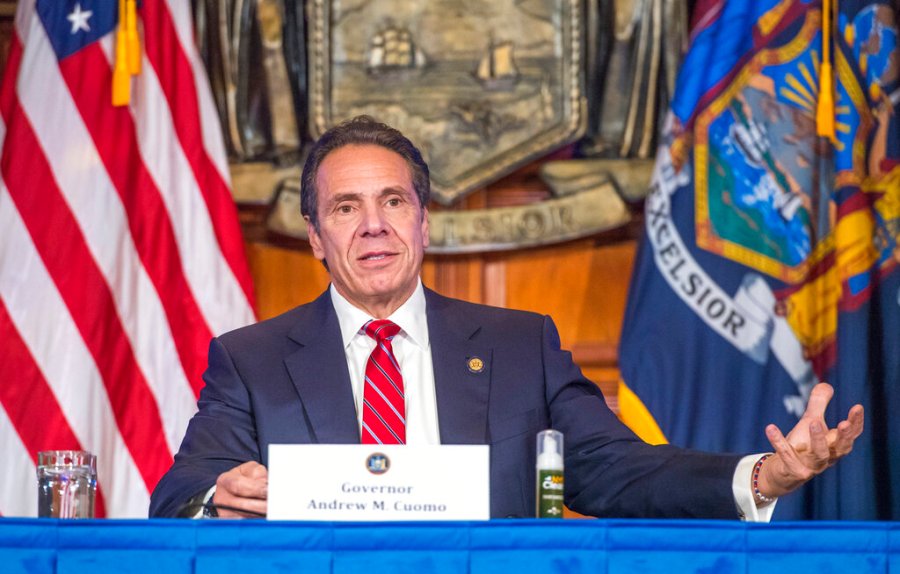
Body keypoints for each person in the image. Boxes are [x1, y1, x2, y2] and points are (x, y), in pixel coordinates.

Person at [149, 116, 864, 520]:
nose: (373, 226)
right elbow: (178, 492)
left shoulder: (523, 346)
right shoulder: (252, 357)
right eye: (345, 208)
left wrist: (764, 475)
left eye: (393, 202)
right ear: (315, 237)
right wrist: (219, 494)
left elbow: (618, 471)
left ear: (424, 223)